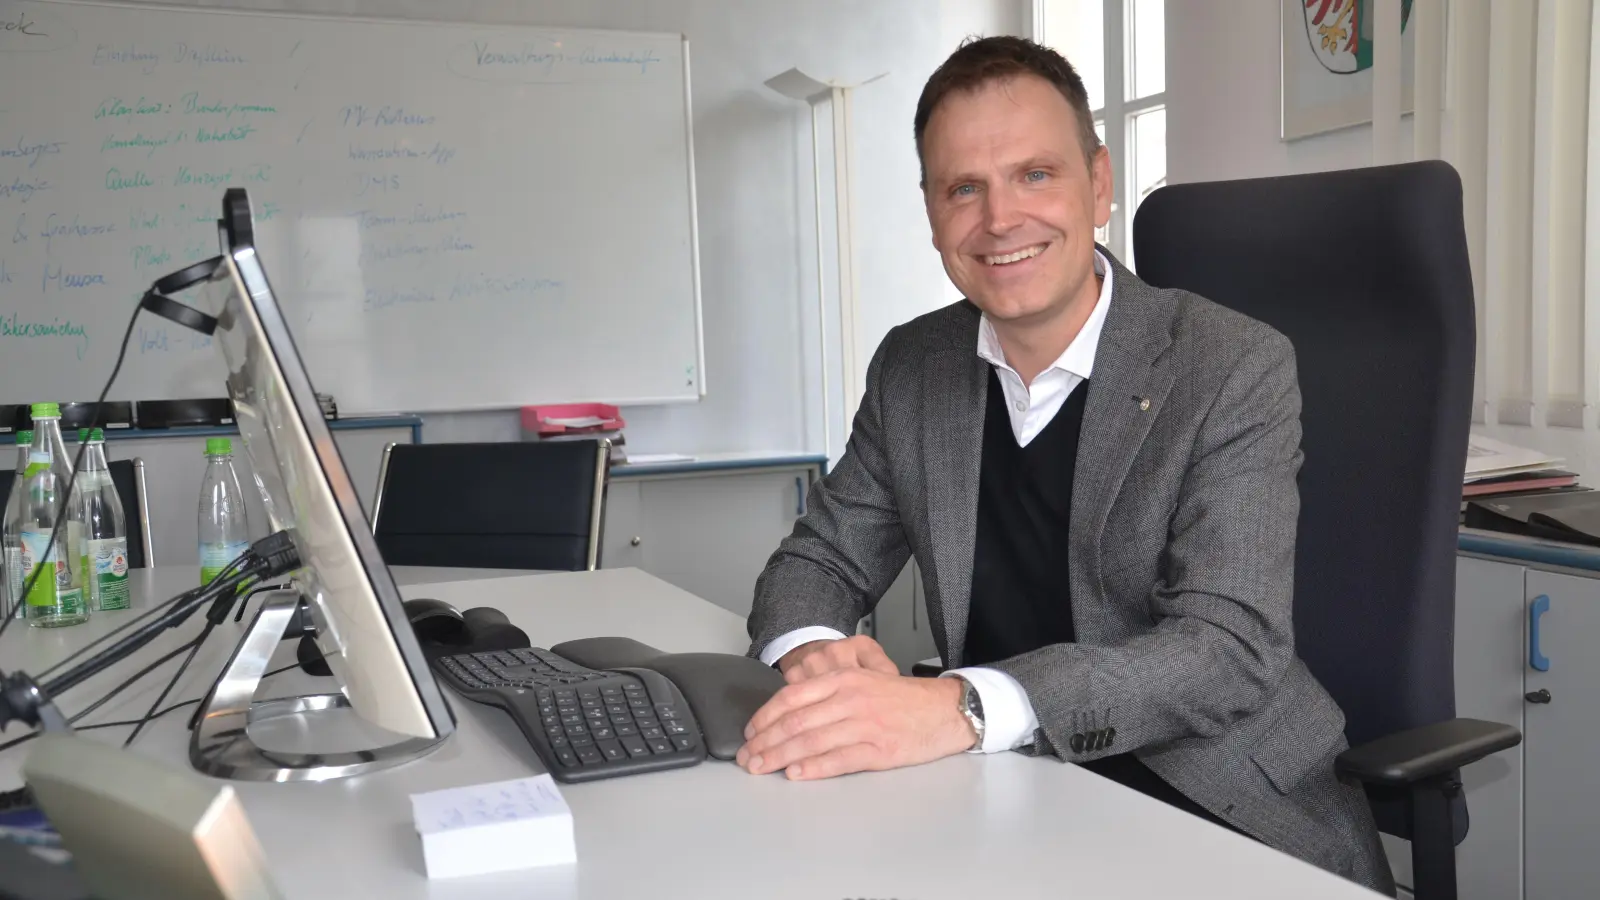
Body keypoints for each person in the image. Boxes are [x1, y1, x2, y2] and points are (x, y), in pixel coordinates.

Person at [737, 35, 1393, 894]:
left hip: (1211, 799)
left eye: (1035, 175)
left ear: (1101, 184)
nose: (1000, 218)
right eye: (963, 187)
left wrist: (964, 707)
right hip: (1006, 796)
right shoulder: (914, 365)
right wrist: (816, 653)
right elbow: (817, 561)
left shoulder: (1229, 364)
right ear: (933, 213)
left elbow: (1226, 650)